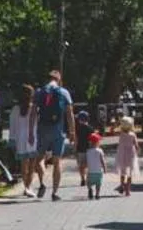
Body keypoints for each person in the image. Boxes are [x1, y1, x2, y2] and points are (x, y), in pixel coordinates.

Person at [35, 69, 74, 201]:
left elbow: (34, 113)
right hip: (58, 130)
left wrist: (30, 131)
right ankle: (55, 193)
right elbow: (69, 114)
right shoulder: (64, 92)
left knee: (39, 158)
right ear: (59, 80)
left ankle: (42, 183)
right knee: (57, 162)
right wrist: (72, 132)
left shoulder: (40, 92)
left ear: (48, 79)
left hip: (43, 129)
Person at [8, 85, 41, 196]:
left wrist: (12, 140)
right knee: (32, 164)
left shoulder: (15, 109)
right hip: (33, 138)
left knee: (24, 164)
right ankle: (28, 186)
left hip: (20, 138)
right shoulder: (34, 108)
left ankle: (26, 186)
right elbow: (37, 124)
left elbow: (12, 126)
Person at [111, 116, 140, 197]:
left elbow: (112, 131)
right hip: (131, 155)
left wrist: (115, 124)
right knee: (130, 173)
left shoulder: (121, 134)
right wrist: (137, 151)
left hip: (122, 155)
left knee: (123, 173)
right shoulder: (133, 134)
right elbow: (136, 145)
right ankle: (128, 191)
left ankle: (122, 185)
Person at [73, 104, 96, 187]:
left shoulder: (77, 128)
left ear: (80, 119)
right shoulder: (91, 128)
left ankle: (82, 179)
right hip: (89, 149)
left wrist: (75, 148)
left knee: (81, 165)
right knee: (88, 165)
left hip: (80, 149)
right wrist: (93, 148)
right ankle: (87, 178)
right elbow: (93, 140)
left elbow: (76, 139)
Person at [83, 127, 106, 199]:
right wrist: (104, 167)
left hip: (90, 172)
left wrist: (84, 167)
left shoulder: (88, 151)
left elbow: (86, 161)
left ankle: (90, 189)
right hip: (98, 171)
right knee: (98, 184)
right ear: (97, 142)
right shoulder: (100, 151)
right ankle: (97, 194)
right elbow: (102, 160)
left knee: (89, 183)